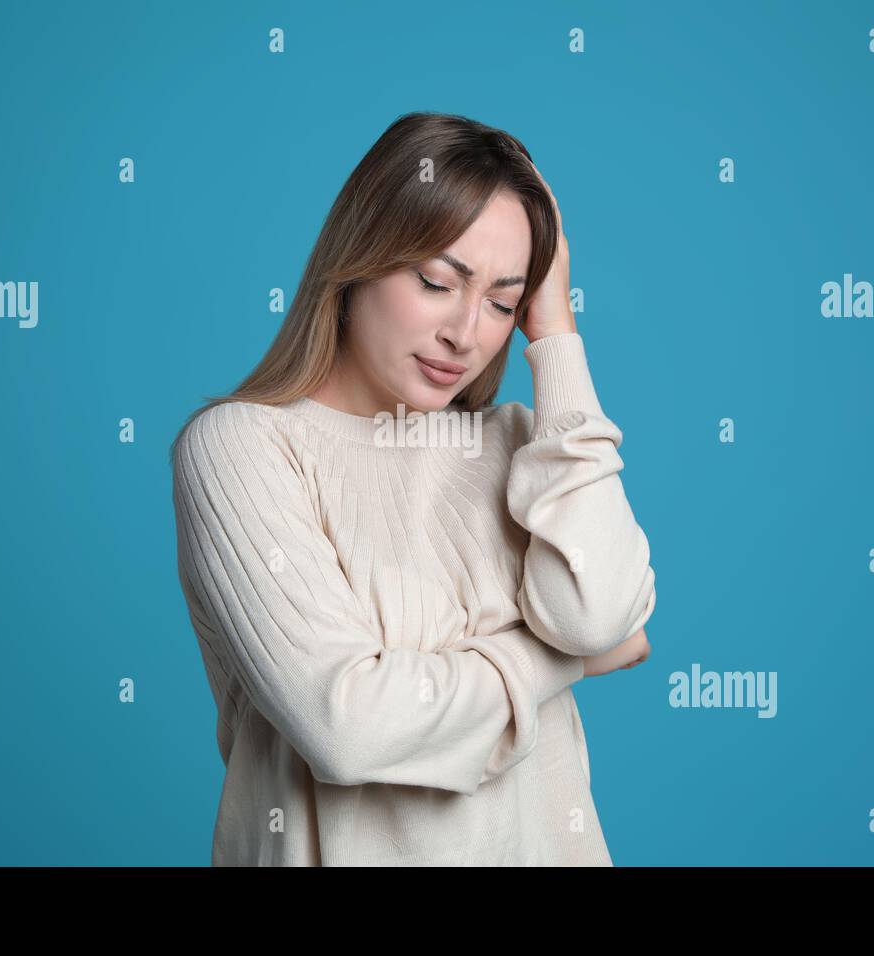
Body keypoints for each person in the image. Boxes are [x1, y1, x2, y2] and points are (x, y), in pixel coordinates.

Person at [169, 111, 657, 866]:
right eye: (437, 281)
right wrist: (560, 664)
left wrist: (556, 331)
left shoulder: (526, 446)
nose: (466, 333)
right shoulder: (244, 447)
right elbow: (349, 726)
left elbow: (595, 614)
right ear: (360, 257)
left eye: (503, 302)